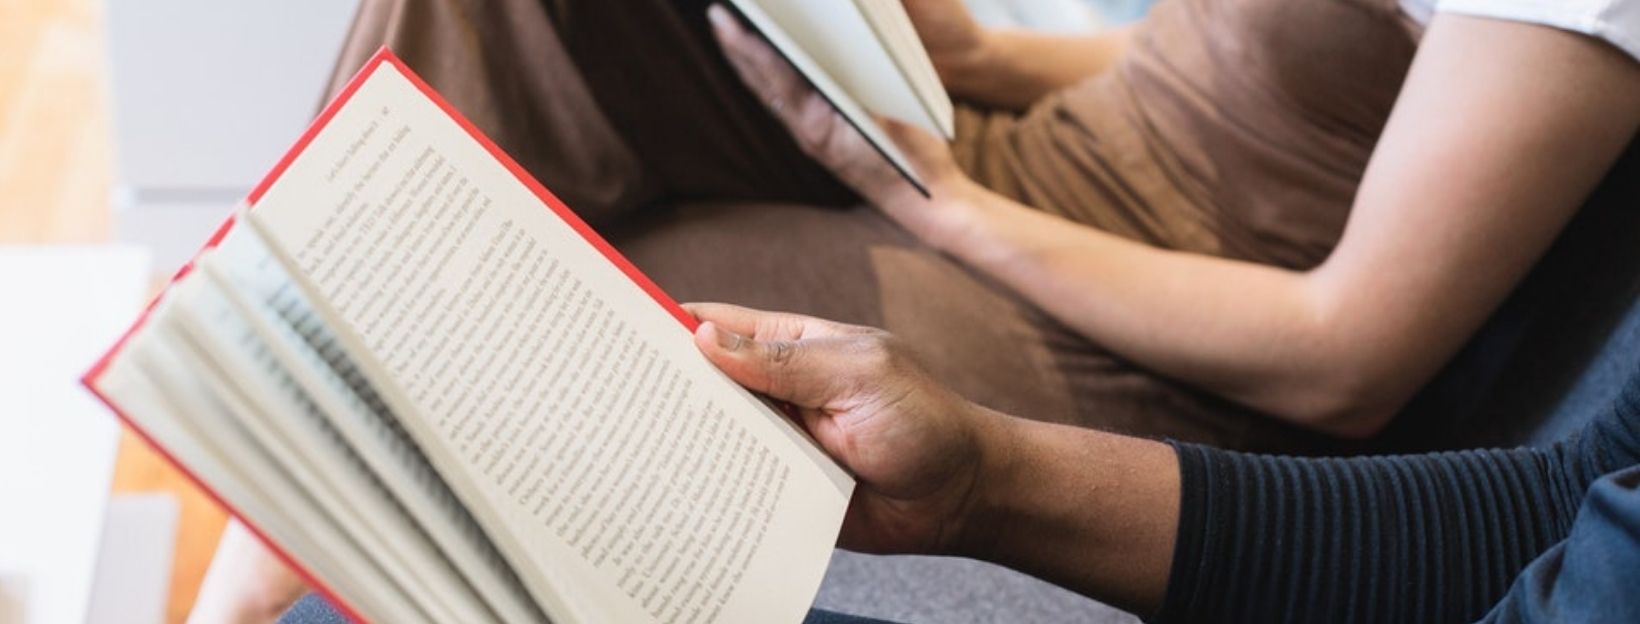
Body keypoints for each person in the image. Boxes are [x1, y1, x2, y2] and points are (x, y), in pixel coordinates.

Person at [316, 0, 1640, 453]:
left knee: (537, 288)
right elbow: (1222, 75)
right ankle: (289, 398)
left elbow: (1343, 358)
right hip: (1018, 181)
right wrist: (963, 57)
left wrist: (940, 205)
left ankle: (292, 463)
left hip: (1139, 342)